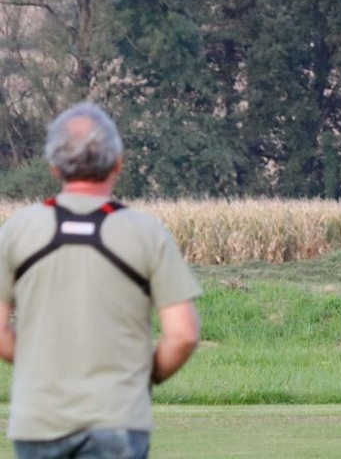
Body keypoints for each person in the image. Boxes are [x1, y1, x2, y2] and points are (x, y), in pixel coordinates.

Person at [0, 102, 202, 459]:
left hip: (39, 421)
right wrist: (141, 377)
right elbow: (183, 334)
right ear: (118, 163)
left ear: (54, 165)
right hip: (119, 418)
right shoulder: (147, 234)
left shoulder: (16, 231)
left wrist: (38, 362)